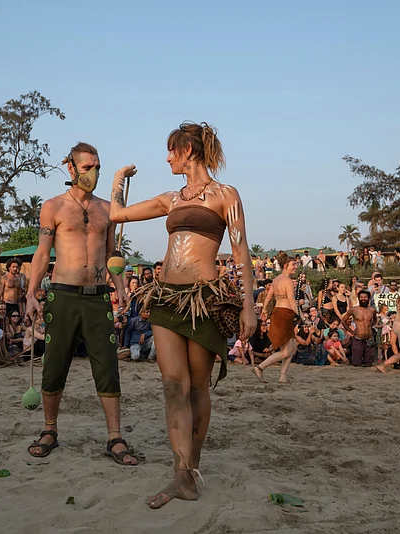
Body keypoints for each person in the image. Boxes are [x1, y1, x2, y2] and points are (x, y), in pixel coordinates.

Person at [109, 122, 256, 509]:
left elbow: (241, 254)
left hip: (205, 300)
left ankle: (192, 468)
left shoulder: (227, 195)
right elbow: (117, 214)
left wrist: (249, 305)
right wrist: (117, 179)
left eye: (172, 150)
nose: (168, 157)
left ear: (188, 149)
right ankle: (181, 474)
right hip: (167, 300)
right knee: (173, 385)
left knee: (197, 388)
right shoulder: (170, 199)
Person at [25, 141, 137, 468]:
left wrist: (121, 286)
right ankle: (49, 431)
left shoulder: (107, 210)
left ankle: (114, 436)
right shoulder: (54, 207)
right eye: (88, 167)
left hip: (98, 296)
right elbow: (43, 254)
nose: (94, 173)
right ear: (71, 169)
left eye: (98, 167)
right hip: (62, 294)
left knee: (107, 365)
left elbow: (113, 251)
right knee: (55, 362)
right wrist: (32, 293)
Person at [252, 253, 298, 383]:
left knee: (292, 347)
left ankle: (283, 376)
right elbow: (291, 300)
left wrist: (265, 310)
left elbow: (268, 297)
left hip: (278, 313)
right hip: (284, 314)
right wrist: (299, 314)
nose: (296, 266)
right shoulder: (287, 281)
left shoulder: (276, 279)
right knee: (285, 351)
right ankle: (260, 368)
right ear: (285, 266)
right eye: (293, 264)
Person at [341, 290, 377, 367]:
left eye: (365, 297)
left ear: (368, 298)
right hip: (358, 337)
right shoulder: (354, 309)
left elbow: (375, 320)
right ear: (358, 298)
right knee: (356, 363)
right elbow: (343, 320)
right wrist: (350, 331)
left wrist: (370, 326)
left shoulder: (372, 310)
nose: (363, 299)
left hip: (369, 338)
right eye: (361, 297)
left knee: (368, 364)